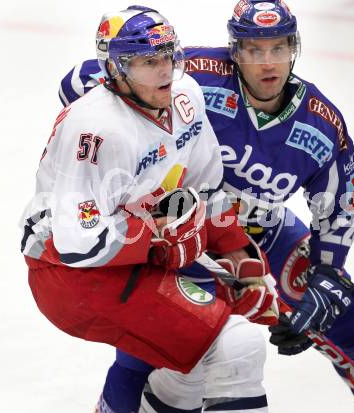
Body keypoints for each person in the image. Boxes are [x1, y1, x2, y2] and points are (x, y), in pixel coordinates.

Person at [59, 2, 354, 412]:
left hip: (258, 230)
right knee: (157, 345)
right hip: (179, 229)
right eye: (254, 50)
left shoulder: (318, 122)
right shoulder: (192, 75)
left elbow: (342, 198)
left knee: (348, 311)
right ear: (235, 51)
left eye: (279, 48)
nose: (269, 62)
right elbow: (80, 82)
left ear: (294, 49)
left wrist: (327, 272)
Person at [21, 5, 283, 412]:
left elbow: (205, 188)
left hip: (132, 259)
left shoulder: (186, 98)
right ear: (116, 69)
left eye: (168, 56)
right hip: (70, 277)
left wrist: (241, 257)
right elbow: (75, 240)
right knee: (236, 345)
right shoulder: (95, 129)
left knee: (187, 363)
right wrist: (157, 237)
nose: (165, 71)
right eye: (148, 62)